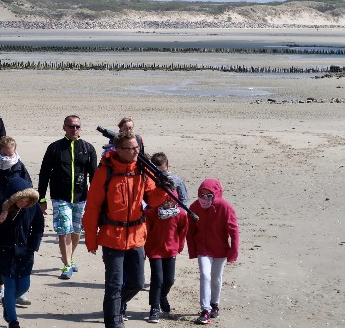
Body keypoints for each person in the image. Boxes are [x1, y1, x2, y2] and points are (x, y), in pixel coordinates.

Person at [82, 131, 173, 327]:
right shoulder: (104, 172)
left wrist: (162, 189)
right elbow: (92, 208)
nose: (135, 151)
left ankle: (114, 305)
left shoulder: (142, 170)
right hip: (111, 237)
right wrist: (91, 239)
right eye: (130, 148)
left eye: (136, 148)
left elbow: (152, 199)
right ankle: (114, 321)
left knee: (137, 283)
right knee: (114, 286)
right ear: (118, 150)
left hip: (136, 236)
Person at [38, 115, 97, 279]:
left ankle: (69, 257)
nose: (74, 129)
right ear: (64, 127)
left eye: (77, 126)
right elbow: (44, 174)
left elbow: (94, 177)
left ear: (81, 128)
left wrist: (96, 200)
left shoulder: (88, 148)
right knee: (64, 231)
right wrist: (41, 199)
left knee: (76, 231)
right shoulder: (55, 148)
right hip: (60, 197)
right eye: (71, 126)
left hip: (81, 197)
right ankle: (67, 265)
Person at [0, 177, 44, 328]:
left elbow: (39, 227)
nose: (24, 203)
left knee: (24, 285)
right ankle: (13, 321)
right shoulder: (1, 206)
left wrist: (33, 246)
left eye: (27, 200)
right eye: (21, 200)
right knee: (10, 286)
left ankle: (8, 303)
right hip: (5, 253)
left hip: (25, 252)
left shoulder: (33, 207)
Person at [0, 136, 32, 305]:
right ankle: (1, 289)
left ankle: (19, 291)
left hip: (18, 212)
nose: (7, 158)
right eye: (4, 154)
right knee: (0, 252)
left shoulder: (19, 166)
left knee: (19, 251)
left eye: (10, 154)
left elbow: (28, 188)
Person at [186, 178, 239, 324]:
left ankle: (214, 304)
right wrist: (192, 250)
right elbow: (190, 231)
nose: (204, 198)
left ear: (215, 194)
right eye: (201, 195)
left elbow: (234, 231)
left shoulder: (225, 207)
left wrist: (233, 252)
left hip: (220, 250)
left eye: (208, 195)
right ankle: (205, 309)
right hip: (203, 248)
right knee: (205, 275)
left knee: (216, 278)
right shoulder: (194, 207)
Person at [143, 179, 188, 323]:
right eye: (165, 202)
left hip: (171, 250)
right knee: (157, 279)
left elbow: (182, 231)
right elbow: (146, 231)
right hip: (155, 250)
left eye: (171, 202)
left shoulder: (180, 214)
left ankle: (162, 296)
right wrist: (145, 248)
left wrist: (180, 246)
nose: (168, 206)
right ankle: (154, 308)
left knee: (169, 280)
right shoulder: (152, 213)